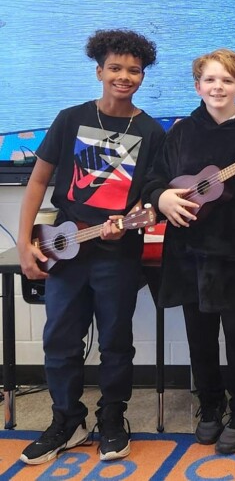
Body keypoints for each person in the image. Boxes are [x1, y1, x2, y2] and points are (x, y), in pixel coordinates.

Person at [17, 29, 165, 464]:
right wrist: (26, 242)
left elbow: (151, 197)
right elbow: (38, 181)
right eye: (115, 68)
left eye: (133, 70)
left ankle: (113, 419)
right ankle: (67, 420)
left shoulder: (151, 131)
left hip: (116, 254)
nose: (124, 76)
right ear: (99, 71)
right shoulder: (70, 118)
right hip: (63, 246)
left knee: (116, 340)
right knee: (60, 338)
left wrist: (133, 216)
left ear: (142, 76)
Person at [141, 49, 235, 455]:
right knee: (199, 337)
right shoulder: (181, 132)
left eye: (227, 80)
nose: (218, 87)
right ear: (197, 86)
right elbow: (153, 181)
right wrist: (163, 198)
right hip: (190, 252)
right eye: (210, 80)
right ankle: (209, 404)